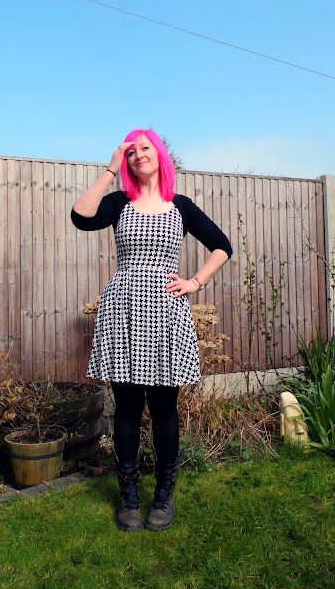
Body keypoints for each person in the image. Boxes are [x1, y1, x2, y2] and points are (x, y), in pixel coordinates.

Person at [71, 129, 232, 532]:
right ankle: (128, 496)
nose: (138, 155)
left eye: (145, 148)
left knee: (163, 407)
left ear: (160, 155)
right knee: (126, 407)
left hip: (165, 312)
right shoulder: (118, 202)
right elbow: (81, 216)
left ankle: (163, 495)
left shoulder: (181, 206)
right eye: (131, 151)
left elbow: (222, 246)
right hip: (123, 309)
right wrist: (110, 170)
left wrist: (195, 282)